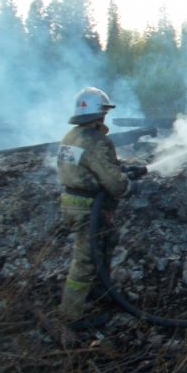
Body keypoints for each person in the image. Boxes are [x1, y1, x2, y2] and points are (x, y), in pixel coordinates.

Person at [56, 87, 129, 328]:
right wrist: (125, 179)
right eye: (104, 113)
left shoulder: (71, 137)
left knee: (104, 243)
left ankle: (100, 292)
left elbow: (88, 167)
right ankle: (71, 314)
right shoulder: (96, 141)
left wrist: (120, 168)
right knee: (86, 259)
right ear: (100, 114)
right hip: (88, 207)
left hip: (71, 202)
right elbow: (115, 184)